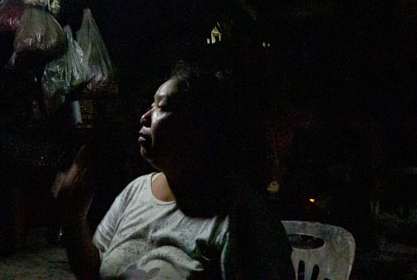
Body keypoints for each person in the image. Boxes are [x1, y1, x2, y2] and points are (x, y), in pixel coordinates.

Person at [56, 62, 295, 279]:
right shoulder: (136, 191)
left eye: (162, 107)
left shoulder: (244, 218)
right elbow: (93, 270)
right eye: (151, 105)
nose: (145, 117)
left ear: (199, 126)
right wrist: (74, 216)